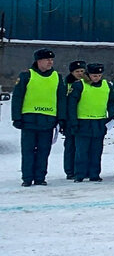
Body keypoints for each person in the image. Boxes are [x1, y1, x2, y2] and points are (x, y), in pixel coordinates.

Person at [11, 48, 66, 187]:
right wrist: (16, 117)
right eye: (47, 59)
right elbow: (17, 97)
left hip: (48, 120)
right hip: (29, 120)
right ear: (38, 61)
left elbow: (61, 99)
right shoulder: (26, 76)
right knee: (28, 150)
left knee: (44, 151)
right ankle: (27, 178)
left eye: (52, 60)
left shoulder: (57, 77)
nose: (50, 62)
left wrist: (61, 118)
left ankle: (40, 177)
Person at [66, 62, 114, 182]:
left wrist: (111, 116)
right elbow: (71, 105)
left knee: (96, 151)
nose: (96, 78)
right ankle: (80, 174)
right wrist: (73, 122)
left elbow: (112, 102)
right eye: (94, 75)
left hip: (99, 122)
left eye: (99, 75)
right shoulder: (79, 85)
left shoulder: (107, 85)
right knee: (81, 151)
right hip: (83, 122)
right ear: (88, 74)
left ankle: (94, 174)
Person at [62, 59, 86, 180]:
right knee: (70, 146)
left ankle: (81, 169)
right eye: (77, 71)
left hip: (83, 119)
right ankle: (70, 170)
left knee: (82, 147)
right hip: (69, 120)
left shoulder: (87, 84)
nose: (80, 73)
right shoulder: (66, 84)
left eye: (82, 71)